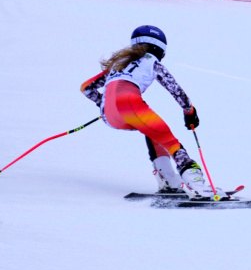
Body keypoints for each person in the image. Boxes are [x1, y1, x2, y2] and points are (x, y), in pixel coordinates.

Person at [80, 25, 220, 199]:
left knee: (152, 132)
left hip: (110, 117)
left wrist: (104, 104)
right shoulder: (151, 61)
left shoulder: (118, 64)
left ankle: (169, 181)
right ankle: (198, 186)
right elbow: (174, 89)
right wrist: (189, 111)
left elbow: (86, 88)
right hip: (131, 106)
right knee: (170, 142)